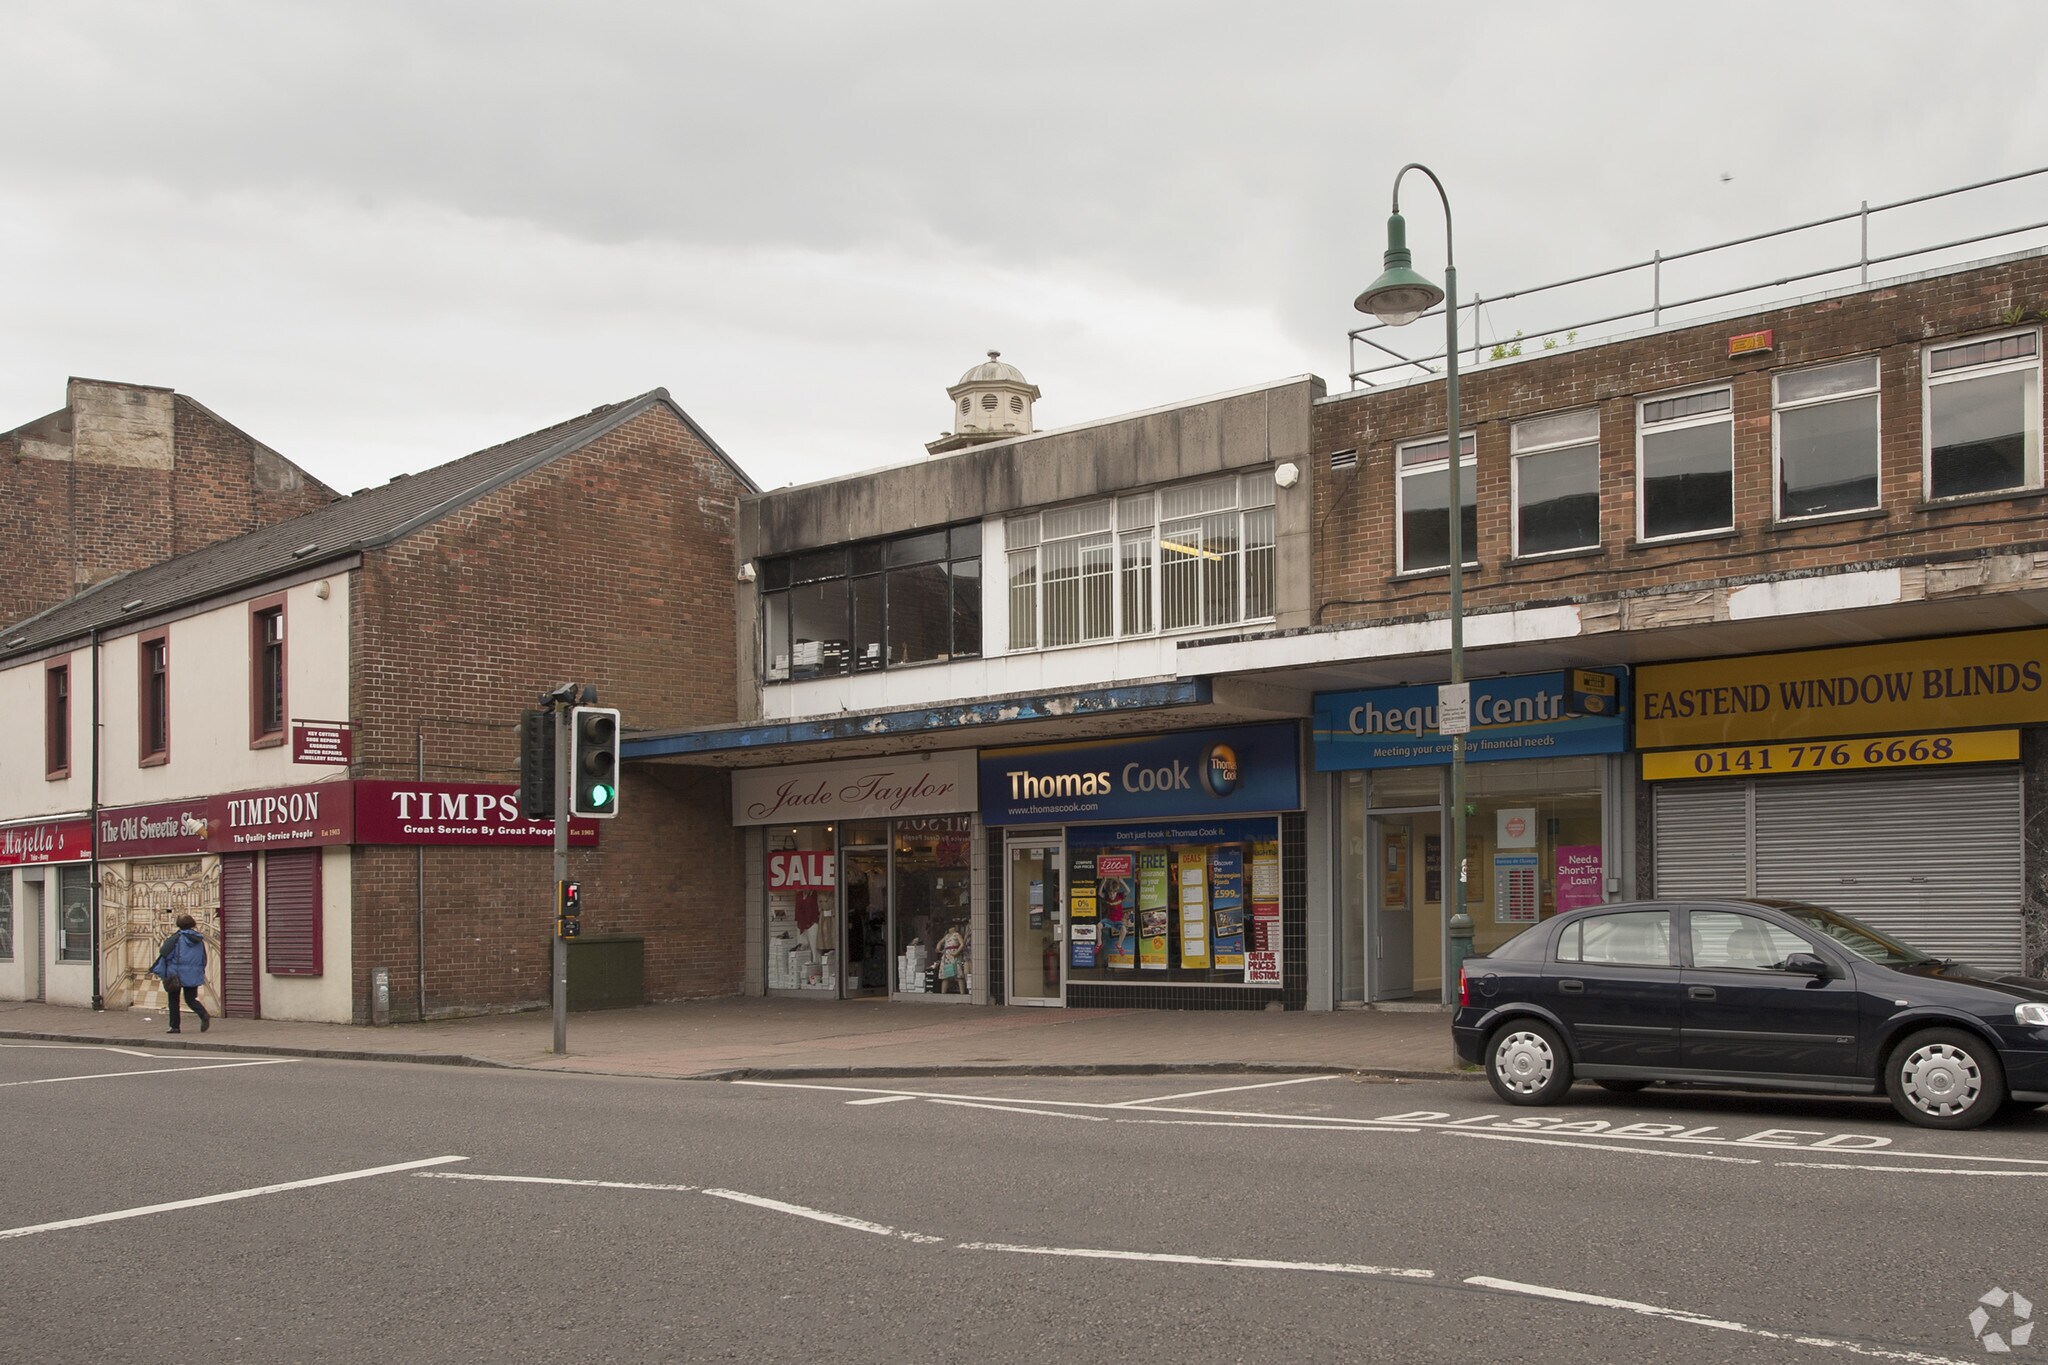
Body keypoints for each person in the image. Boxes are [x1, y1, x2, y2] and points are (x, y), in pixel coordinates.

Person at [152, 913, 211, 1034]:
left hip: (175, 975)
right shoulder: (198, 940)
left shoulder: (176, 938)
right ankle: (203, 1013)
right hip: (192, 974)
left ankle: (175, 1027)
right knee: (190, 999)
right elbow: (203, 958)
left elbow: (164, 953)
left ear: (178, 925)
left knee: (173, 1000)